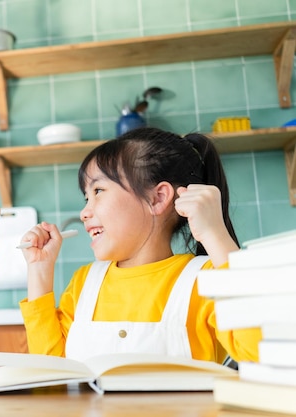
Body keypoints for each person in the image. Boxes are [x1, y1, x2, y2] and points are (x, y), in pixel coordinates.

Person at [18, 127, 261, 365]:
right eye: (86, 197)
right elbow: (51, 372)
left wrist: (215, 234)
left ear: (157, 198)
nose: (84, 212)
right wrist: (39, 270)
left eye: (98, 190)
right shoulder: (83, 284)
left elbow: (260, 357)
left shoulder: (207, 278)